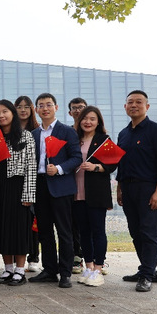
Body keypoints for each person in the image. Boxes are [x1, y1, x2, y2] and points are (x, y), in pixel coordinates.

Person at [116, 90, 157, 292]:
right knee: (135, 231)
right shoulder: (123, 134)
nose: (134, 105)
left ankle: (146, 275)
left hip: (148, 188)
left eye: (139, 102)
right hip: (128, 188)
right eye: (130, 102)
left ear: (147, 106)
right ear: (125, 107)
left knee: (149, 232)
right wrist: (119, 189)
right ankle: (146, 269)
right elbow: (121, 163)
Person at [29, 93, 82, 289]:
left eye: (49, 105)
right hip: (40, 185)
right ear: (36, 110)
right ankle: (50, 270)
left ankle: (65, 272)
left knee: (64, 231)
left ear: (56, 108)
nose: (45, 108)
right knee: (44, 231)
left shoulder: (66, 131)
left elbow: (76, 158)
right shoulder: (34, 134)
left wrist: (59, 168)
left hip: (60, 186)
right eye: (41, 105)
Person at [0, 100, 37, 287]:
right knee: (2, 228)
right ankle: (8, 269)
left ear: (12, 113)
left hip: (18, 186)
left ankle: (20, 271)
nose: (1, 116)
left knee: (18, 229)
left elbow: (31, 166)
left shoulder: (25, 135)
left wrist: (28, 195)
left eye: (5, 111)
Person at [74, 106, 117, 287]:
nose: (88, 122)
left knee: (98, 231)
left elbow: (113, 164)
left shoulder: (103, 140)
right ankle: (89, 267)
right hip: (77, 192)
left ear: (98, 121)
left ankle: (98, 269)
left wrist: (96, 167)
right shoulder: (74, 139)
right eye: (85, 118)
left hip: (96, 193)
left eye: (92, 119)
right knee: (83, 232)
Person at [15, 95, 40, 273]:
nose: (23, 110)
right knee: (20, 221)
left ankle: (33, 257)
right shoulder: (10, 131)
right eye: (19, 107)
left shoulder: (37, 131)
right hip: (16, 182)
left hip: (35, 180)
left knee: (33, 221)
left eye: (26, 107)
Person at [67, 97, 88, 274]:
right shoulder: (67, 133)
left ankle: (97, 259)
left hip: (90, 185)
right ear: (69, 112)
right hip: (70, 184)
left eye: (81, 107)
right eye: (74, 108)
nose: (77, 110)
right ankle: (76, 256)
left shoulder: (95, 134)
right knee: (72, 223)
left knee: (92, 223)